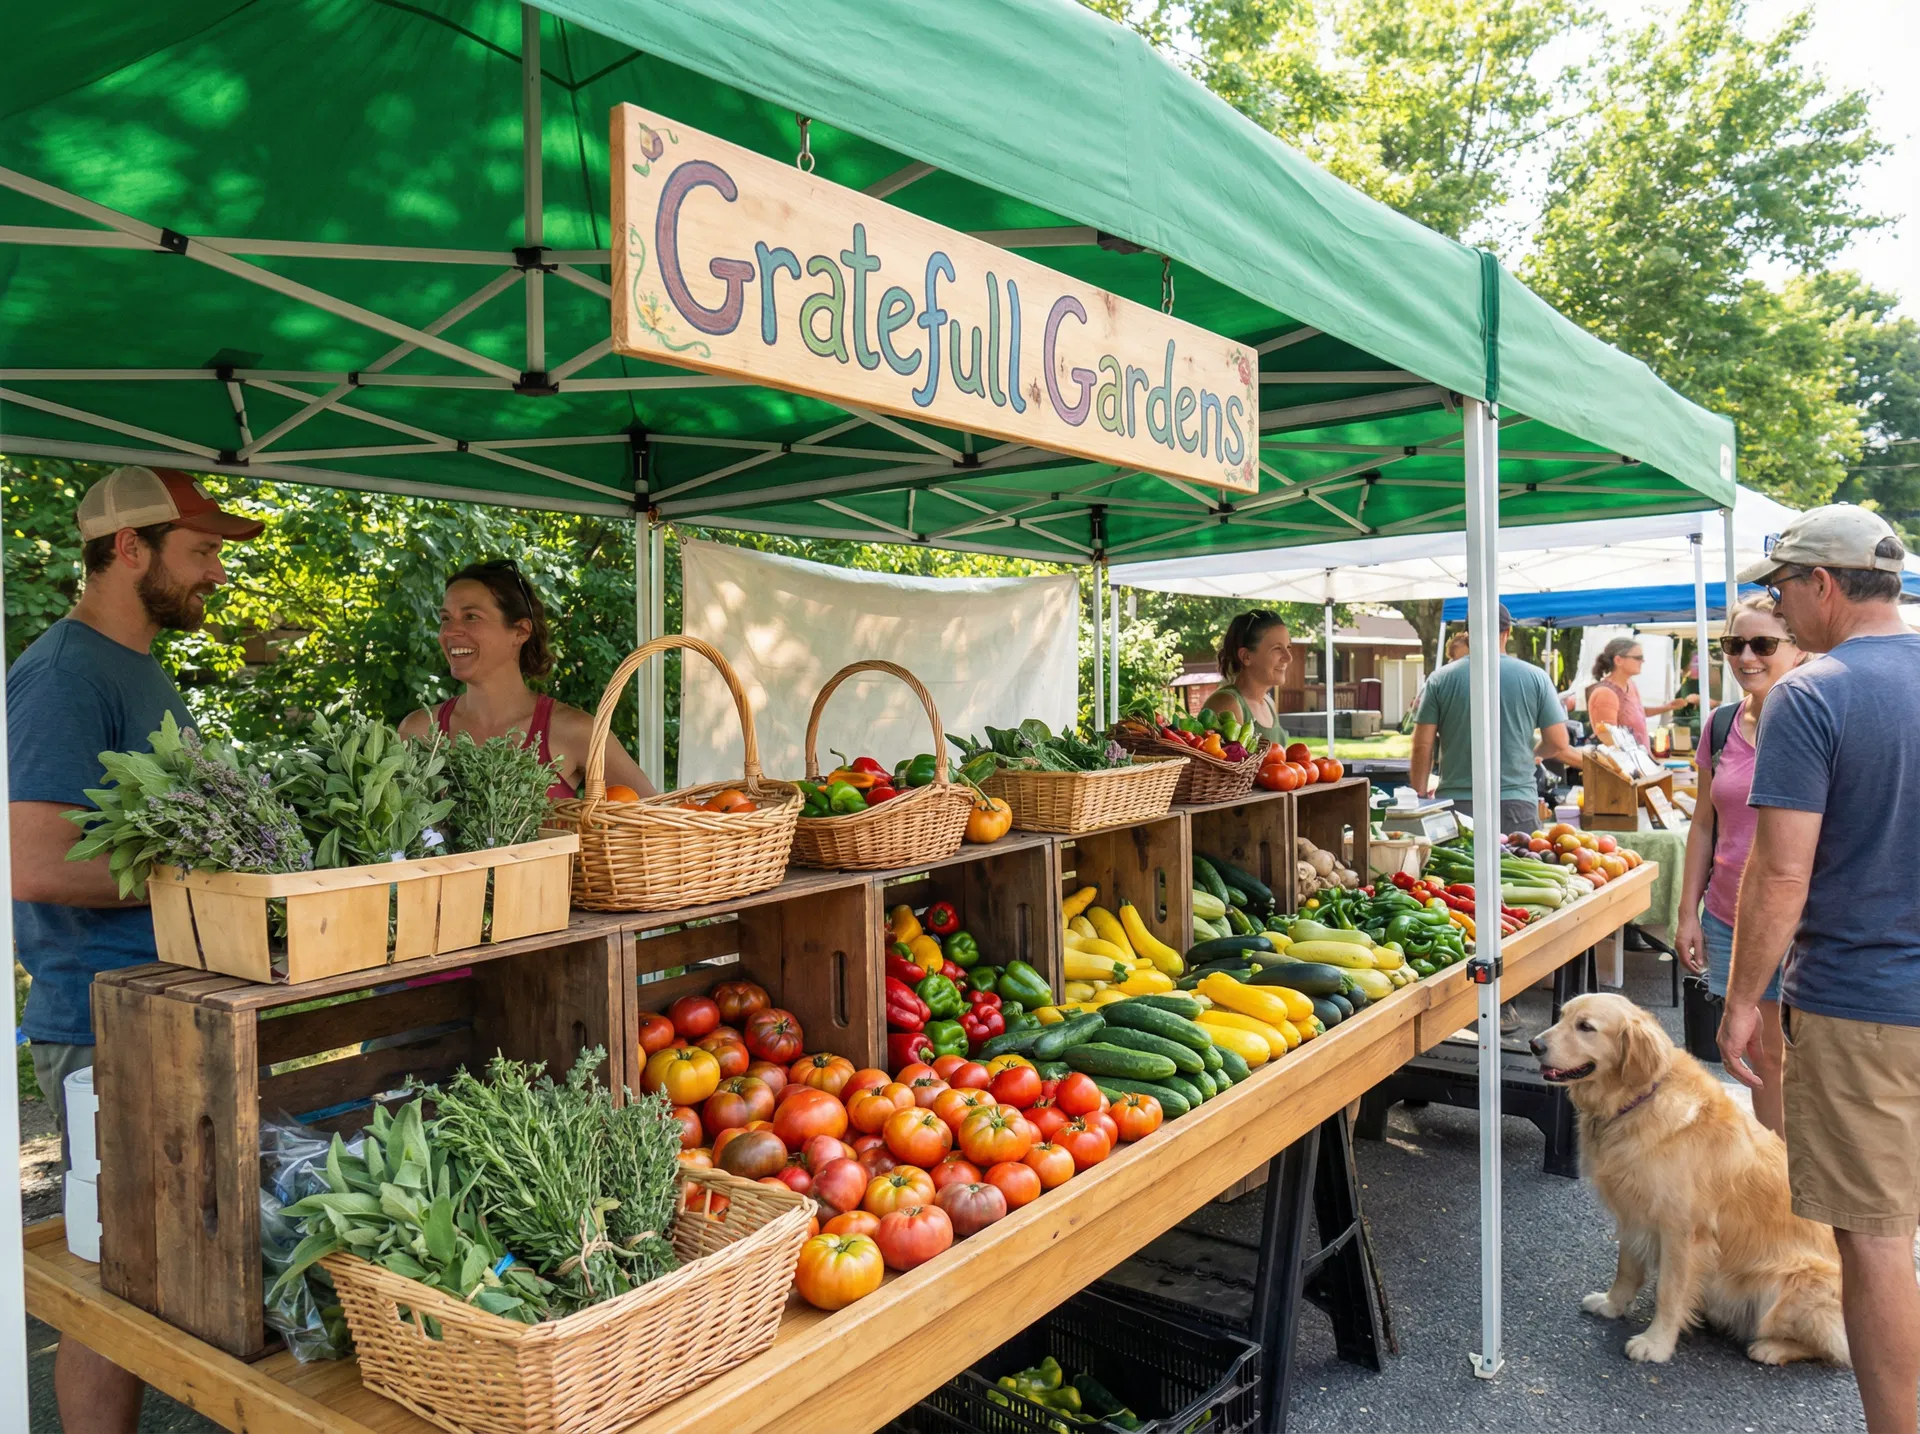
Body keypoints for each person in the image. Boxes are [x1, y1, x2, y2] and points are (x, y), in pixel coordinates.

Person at [8, 465, 264, 1434]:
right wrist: (202, 879)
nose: (216, 574)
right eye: (200, 552)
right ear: (129, 548)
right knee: (108, 1283)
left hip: (160, 1009)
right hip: (99, 1019)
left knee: (151, 1266)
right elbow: (31, 863)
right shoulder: (66, 675)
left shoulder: (138, 668)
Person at [1719, 504, 1920, 1434]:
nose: (1777, 607)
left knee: (1876, 1240)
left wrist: (1744, 1000)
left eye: (1782, 586)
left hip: (1861, 1004)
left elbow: (1781, 870)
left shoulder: (1812, 692)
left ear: (1824, 585)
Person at [1673, 595, 1802, 1135]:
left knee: (1785, 1057)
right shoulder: (1720, 724)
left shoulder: (1812, 719)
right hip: (1728, 915)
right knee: (1751, 1053)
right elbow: (1705, 823)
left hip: (1796, 919)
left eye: (1763, 644)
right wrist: (1687, 912)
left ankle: (1797, 1191)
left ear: (1797, 649)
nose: (1747, 656)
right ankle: (1773, 1179)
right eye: (1735, 644)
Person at [398, 559, 654, 798]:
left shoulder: (574, 730)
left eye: (471, 616)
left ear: (520, 631)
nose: (450, 631)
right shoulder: (419, 731)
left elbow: (657, 817)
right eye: (445, 618)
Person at [1409, 603, 1584, 835]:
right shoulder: (1536, 677)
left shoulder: (1440, 679)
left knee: (1459, 870)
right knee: (1518, 869)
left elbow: (1423, 746)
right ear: (1507, 632)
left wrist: (1420, 796)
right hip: (1516, 801)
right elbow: (1558, 742)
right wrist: (1532, 754)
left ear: (1468, 632)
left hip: (1457, 802)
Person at [1202, 609, 1292, 748]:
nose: (1288, 657)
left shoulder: (1269, 703)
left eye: (1288, 647)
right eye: (1277, 648)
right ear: (1246, 656)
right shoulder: (1227, 704)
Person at [1585, 637, 1696, 745]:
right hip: (1625, 762)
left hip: (1639, 759)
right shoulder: (1605, 693)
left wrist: (1667, 707)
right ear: (1618, 660)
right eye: (1638, 657)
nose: (1642, 661)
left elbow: (1636, 712)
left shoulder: (1630, 684)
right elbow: (1608, 742)